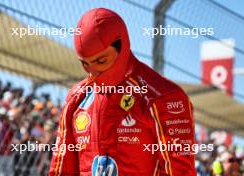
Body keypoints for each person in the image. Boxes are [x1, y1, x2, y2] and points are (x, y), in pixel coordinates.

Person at [49, 8, 196, 176]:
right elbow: (60, 171)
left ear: (122, 45)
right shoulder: (76, 98)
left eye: (101, 61)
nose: (93, 73)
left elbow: (180, 172)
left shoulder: (164, 97)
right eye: (85, 64)